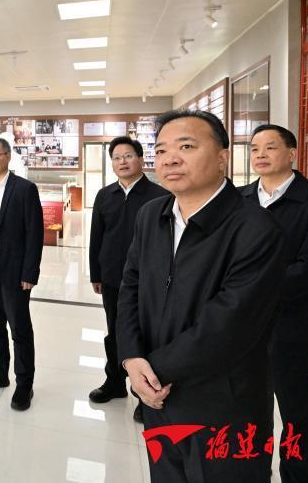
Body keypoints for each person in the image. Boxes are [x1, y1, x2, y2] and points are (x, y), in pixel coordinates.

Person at [117, 110, 285, 482]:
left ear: (223, 156)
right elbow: (130, 287)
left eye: (186, 147)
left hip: (223, 407)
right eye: (161, 151)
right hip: (158, 400)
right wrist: (130, 357)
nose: (170, 159)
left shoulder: (256, 228)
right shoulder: (151, 215)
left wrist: (152, 372)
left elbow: (228, 325)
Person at [240, 124, 308, 483]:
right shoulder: (238, 200)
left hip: (291, 324)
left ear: (291, 153)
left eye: (270, 147)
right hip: (239, 324)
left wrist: (251, 288)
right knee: (245, 407)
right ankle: (251, 470)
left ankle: (299, 476)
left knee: (295, 409)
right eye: (254, 148)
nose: (260, 154)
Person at [88, 137, 168, 423]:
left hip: (147, 280)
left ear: (141, 159)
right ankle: (114, 383)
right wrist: (95, 273)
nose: (122, 162)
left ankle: (143, 392)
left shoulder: (159, 196)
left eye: (128, 156)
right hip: (112, 278)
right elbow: (96, 237)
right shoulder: (104, 195)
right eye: (116, 157)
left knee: (145, 335)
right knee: (114, 332)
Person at [0, 136, 43, 411]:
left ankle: (24, 384)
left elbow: (34, 233)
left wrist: (30, 272)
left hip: (14, 272)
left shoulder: (24, 189)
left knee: (19, 329)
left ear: (7, 156)